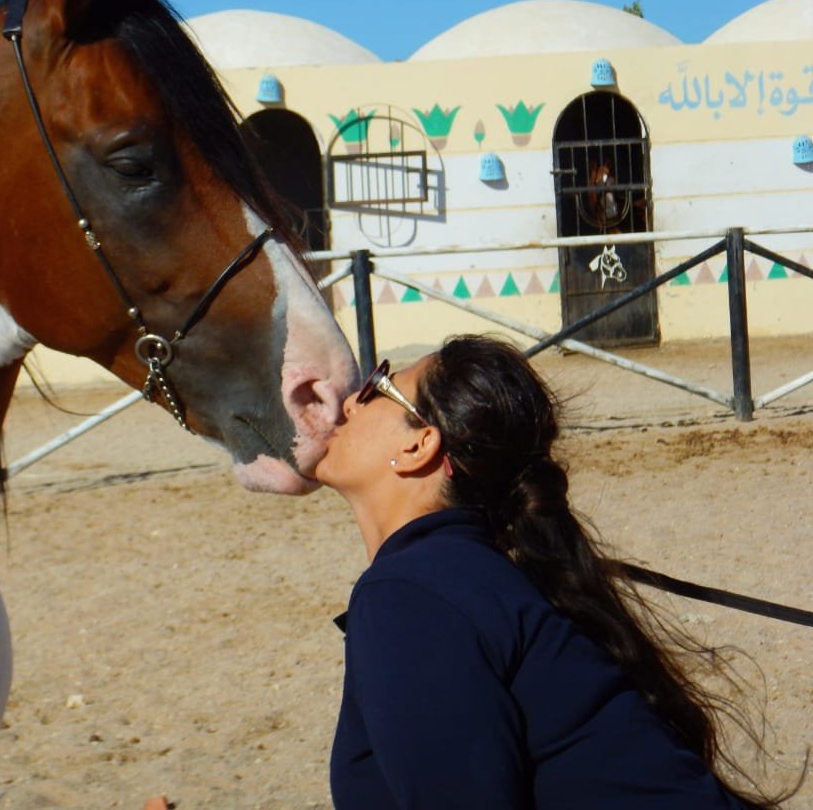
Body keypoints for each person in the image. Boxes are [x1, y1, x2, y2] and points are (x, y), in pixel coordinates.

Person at [315, 334, 791, 809]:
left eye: (379, 386)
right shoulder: (454, 575)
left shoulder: (412, 593)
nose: (353, 402)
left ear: (420, 444)